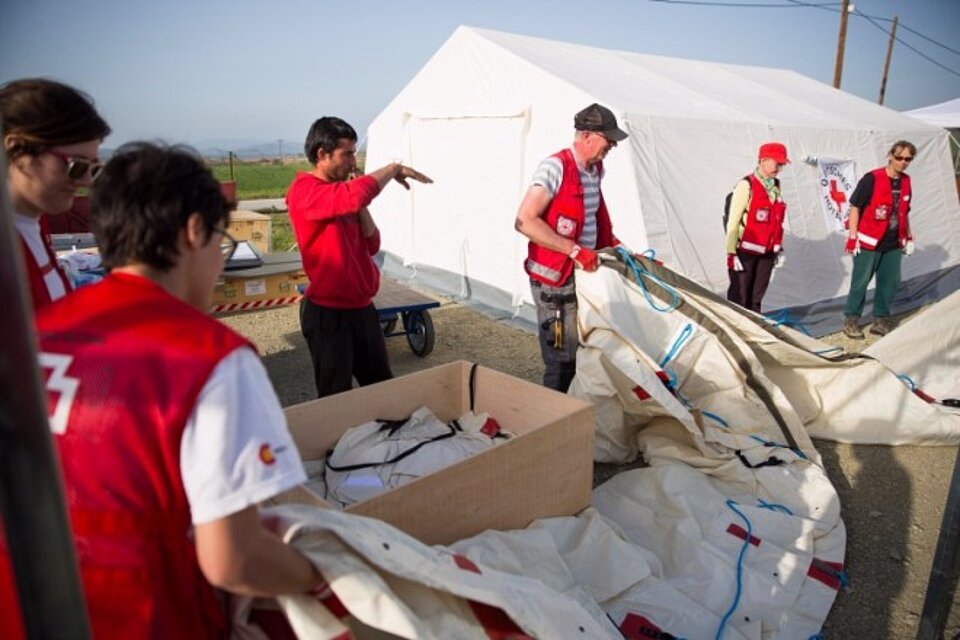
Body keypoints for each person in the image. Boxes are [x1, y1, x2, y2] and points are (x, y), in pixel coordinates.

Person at [0, 143, 323, 639]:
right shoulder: (209, 356)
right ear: (195, 231)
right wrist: (323, 580)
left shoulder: (34, 332)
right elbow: (233, 558)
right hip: (148, 614)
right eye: (221, 241)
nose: (219, 260)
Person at [287, 116, 432, 398]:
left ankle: (383, 438)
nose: (353, 162)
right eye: (347, 154)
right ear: (322, 154)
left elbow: (372, 243)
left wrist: (361, 204)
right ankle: (338, 443)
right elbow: (353, 197)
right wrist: (393, 169)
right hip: (328, 314)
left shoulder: (344, 195)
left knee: (380, 389)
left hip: (362, 309)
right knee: (336, 397)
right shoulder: (305, 191)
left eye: (355, 153)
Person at [515, 103, 629, 393]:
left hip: (580, 277)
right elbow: (524, 220)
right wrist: (575, 250)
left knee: (581, 352)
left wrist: (620, 249)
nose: (613, 146)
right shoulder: (555, 167)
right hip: (554, 285)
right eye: (609, 139)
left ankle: (572, 412)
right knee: (561, 359)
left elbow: (591, 217)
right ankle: (554, 418)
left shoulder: (593, 170)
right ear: (588, 136)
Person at [0, 78, 111, 309]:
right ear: (16, 148)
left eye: (92, 169)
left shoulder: (35, 224)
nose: (86, 182)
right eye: (75, 165)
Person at [841, 140, 917, 339]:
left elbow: (904, 212)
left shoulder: (906, 182)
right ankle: (851, 319)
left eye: (908, 159)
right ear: (890, 155)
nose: (903, 162)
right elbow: (855, 207)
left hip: (893, 242)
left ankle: (881, 319)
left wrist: (908, 235)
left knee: (890, 281)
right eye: (899, 157)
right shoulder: (872, 178)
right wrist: (852, 237)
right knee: (861, 281)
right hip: (869, 241)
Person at [724, 142, 789, 313]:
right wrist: (731, 253)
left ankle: (755, 329)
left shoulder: (775, 186)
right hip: (745, 252)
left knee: (757, 296)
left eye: (782, 164)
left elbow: (776, 220)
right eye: (777, 163)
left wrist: (778, 247)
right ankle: (737, 331)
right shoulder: (746, 185)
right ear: (763, 160)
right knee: (740, 296)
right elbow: (733, 221)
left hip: (766, 252)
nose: (780, 167)